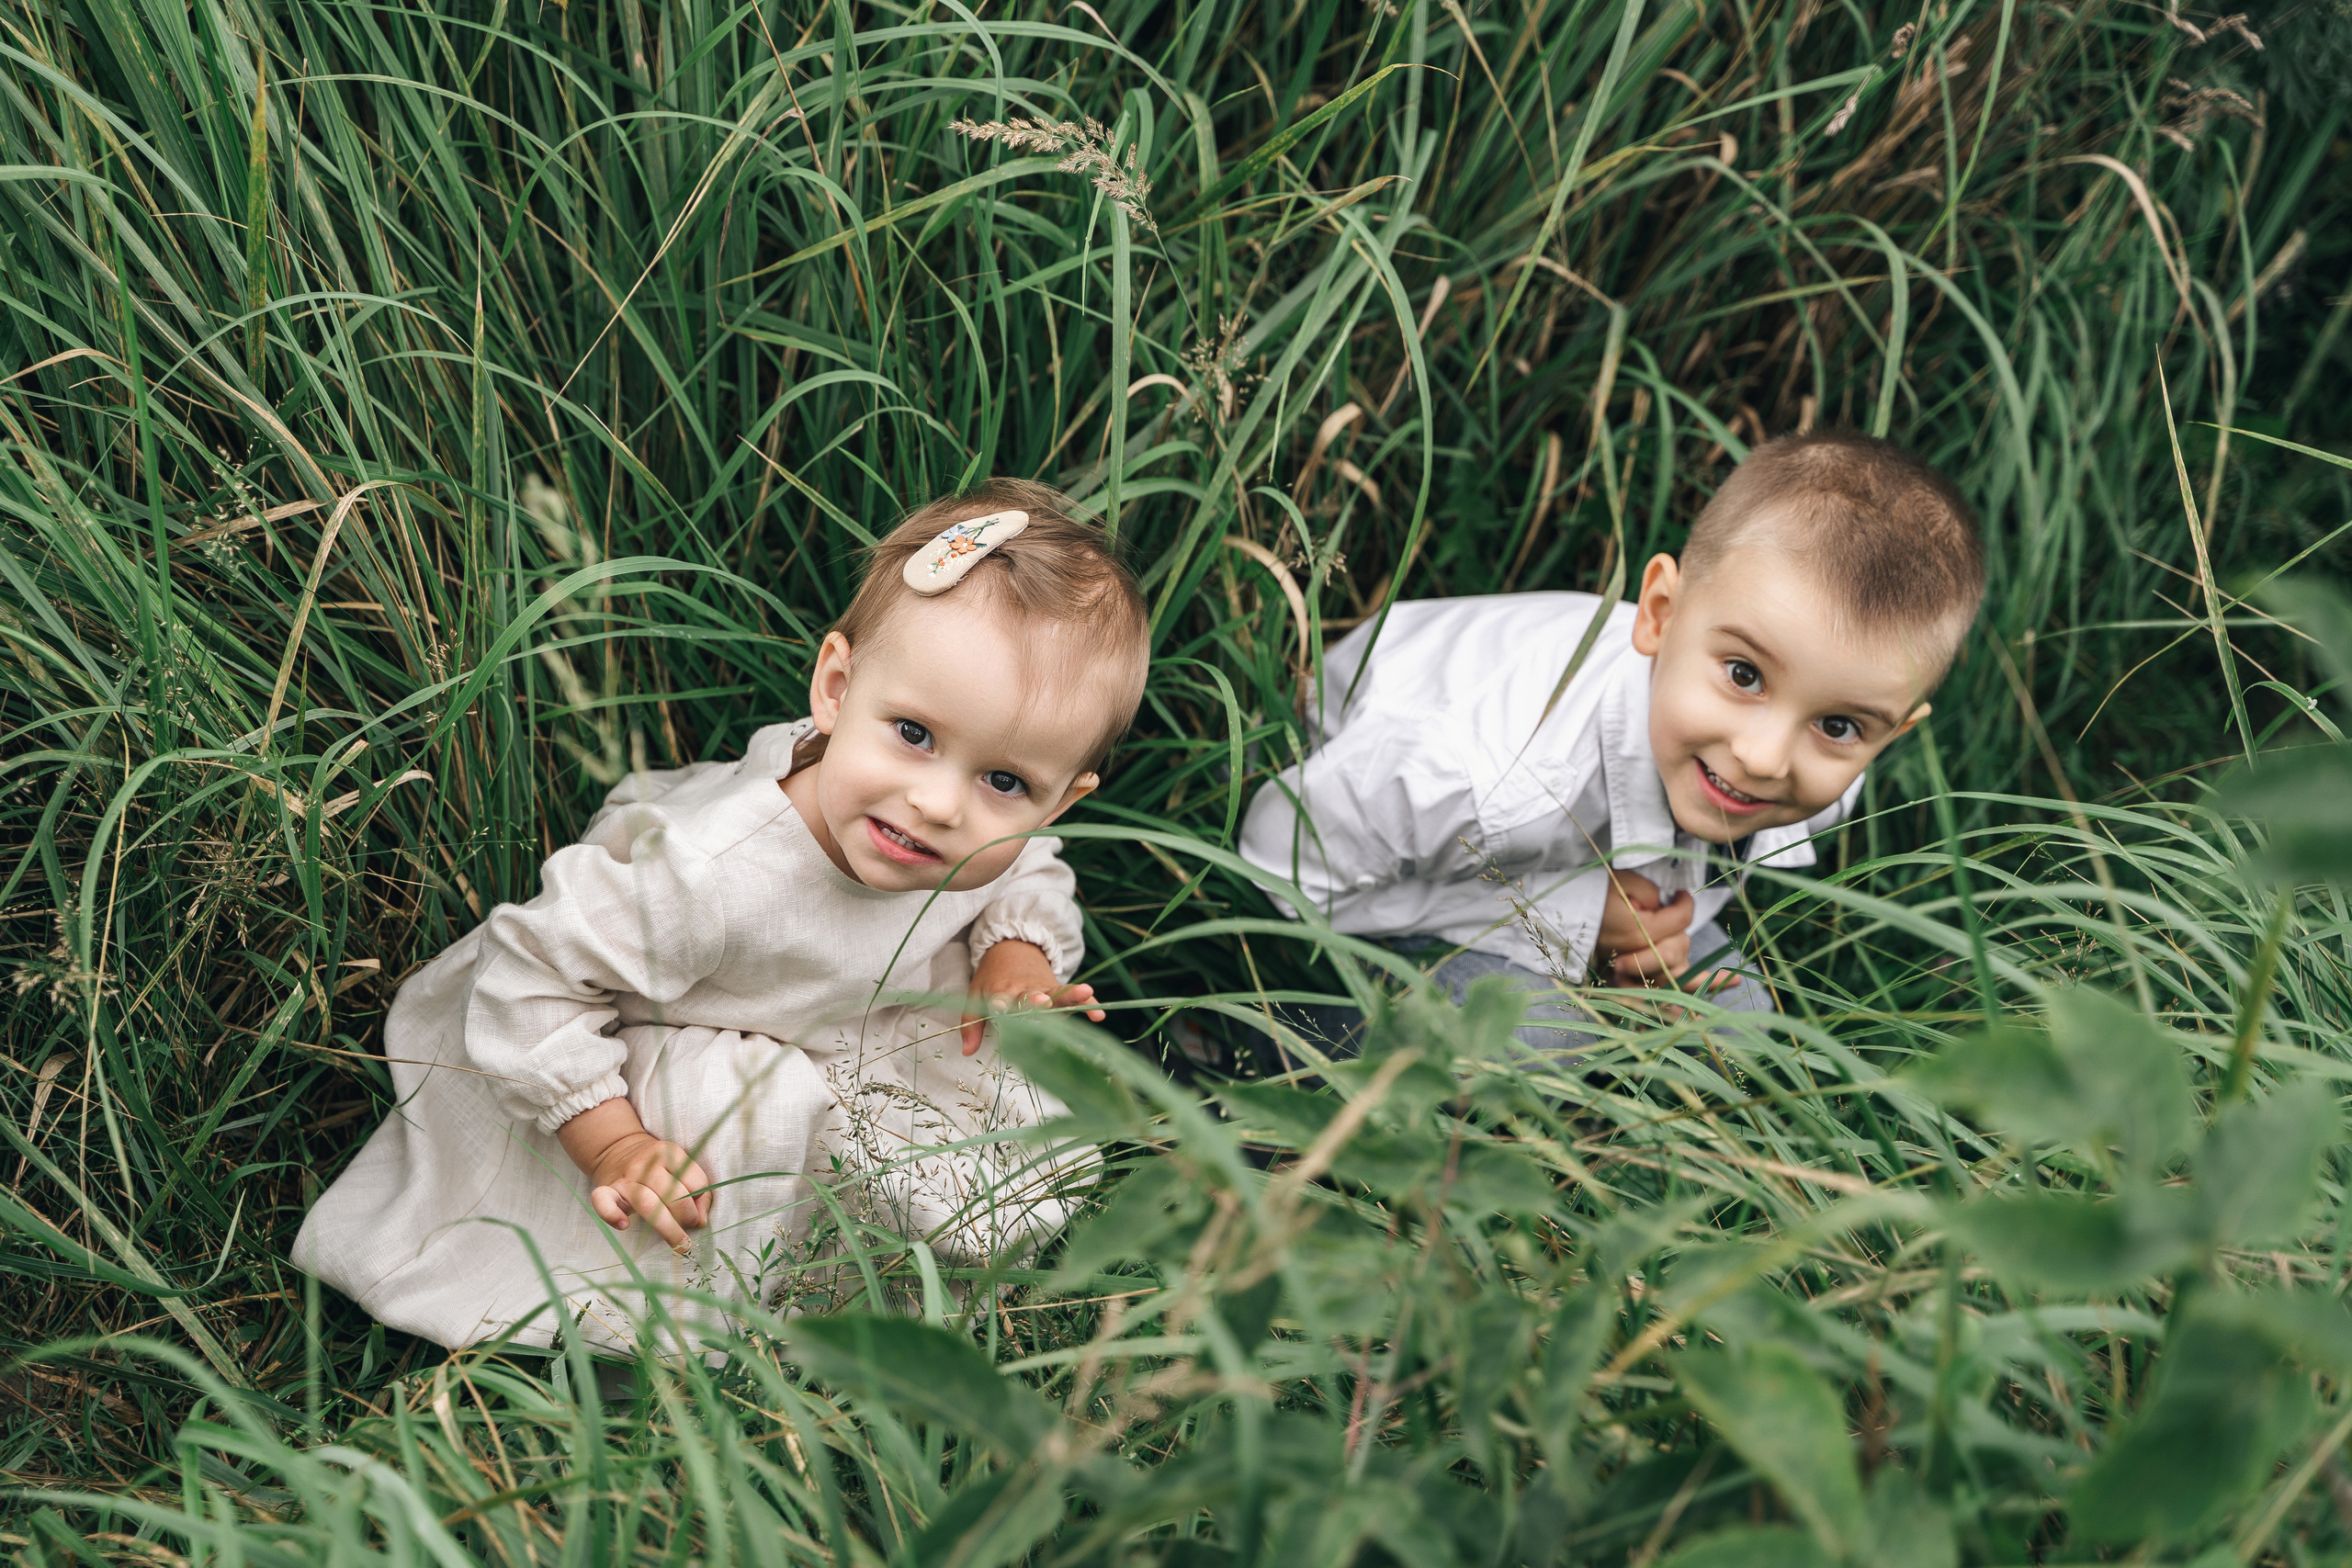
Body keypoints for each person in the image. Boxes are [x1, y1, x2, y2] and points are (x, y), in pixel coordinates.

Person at [295, 480, 1148, 1351]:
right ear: (836, 688)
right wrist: (613, 1142)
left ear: (1058, 799)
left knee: (988, 1082)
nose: (935, 802)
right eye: (914, 734)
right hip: (668, 1035)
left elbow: (1027, 870)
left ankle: (855, 1288)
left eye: (1004, 781)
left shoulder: (968, 836)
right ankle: (660, 1338)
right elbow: (531, 978)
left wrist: (1013, 958)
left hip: (850, 1016)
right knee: (752, 1123)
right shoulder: (716, 876)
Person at [1238, 429, 1983, 1058]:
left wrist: (1626, 946)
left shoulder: (1809, 770)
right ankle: (1243, 1077)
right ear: (1659, 614)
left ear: (1892, 729)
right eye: (1745, 674)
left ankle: (1608, 1130)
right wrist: (1573, 921)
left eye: (1839, 725)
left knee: (1745, 1028)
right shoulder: (1489, 768)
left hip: (1570, 881)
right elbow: (1278, 861)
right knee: (1534, 1028)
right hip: (1367, 847)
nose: (1764, 757)